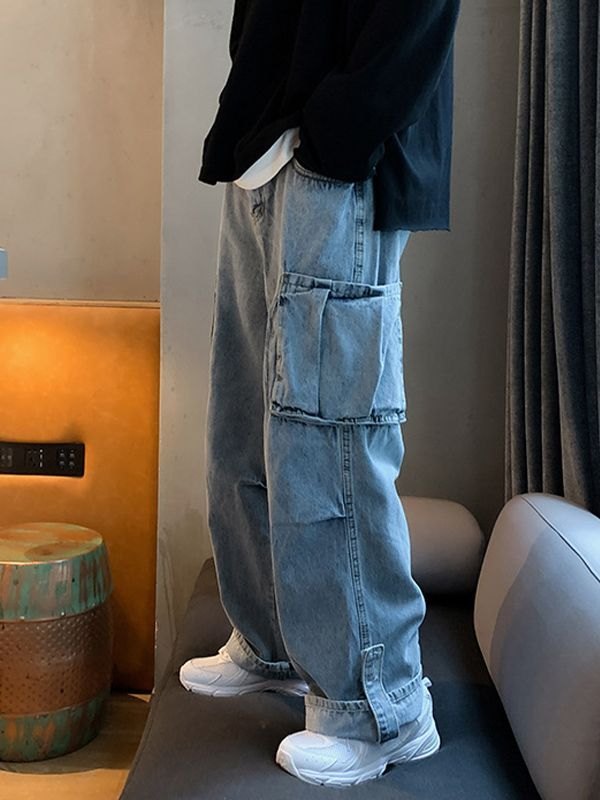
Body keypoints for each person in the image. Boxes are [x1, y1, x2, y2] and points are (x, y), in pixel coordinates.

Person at [179, 0, 461, 787]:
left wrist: (332, 133)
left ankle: (381, 709)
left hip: (339, 167)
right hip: (265, 154)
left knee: (330, 438)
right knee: (242, 424)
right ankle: (272, 642)